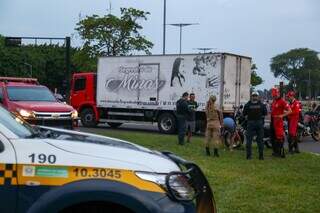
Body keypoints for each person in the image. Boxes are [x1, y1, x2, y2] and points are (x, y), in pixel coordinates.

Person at [243, 91, 268, 160]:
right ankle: (261, 156)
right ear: (257, 97)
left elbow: (244, 114)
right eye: (254, 96)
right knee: (260, 141)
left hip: (250, 123)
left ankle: (249, 156)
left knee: (249, 140)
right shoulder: (262, 105)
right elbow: (265, 113)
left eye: (255, 96)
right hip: (259, 123)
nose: (254, 97)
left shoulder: (248, 105)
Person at [270, 88, 292, 158]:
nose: (274, 97)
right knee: (272, 137)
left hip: (278, 121)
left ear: (278, 94)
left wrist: (282, 115)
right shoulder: (274, 101)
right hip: (273, 120)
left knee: (279, 137)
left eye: (275, 95)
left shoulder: (282, 101)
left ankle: (280, 152)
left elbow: (290, 111)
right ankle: (275, 151)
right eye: (273, 96)